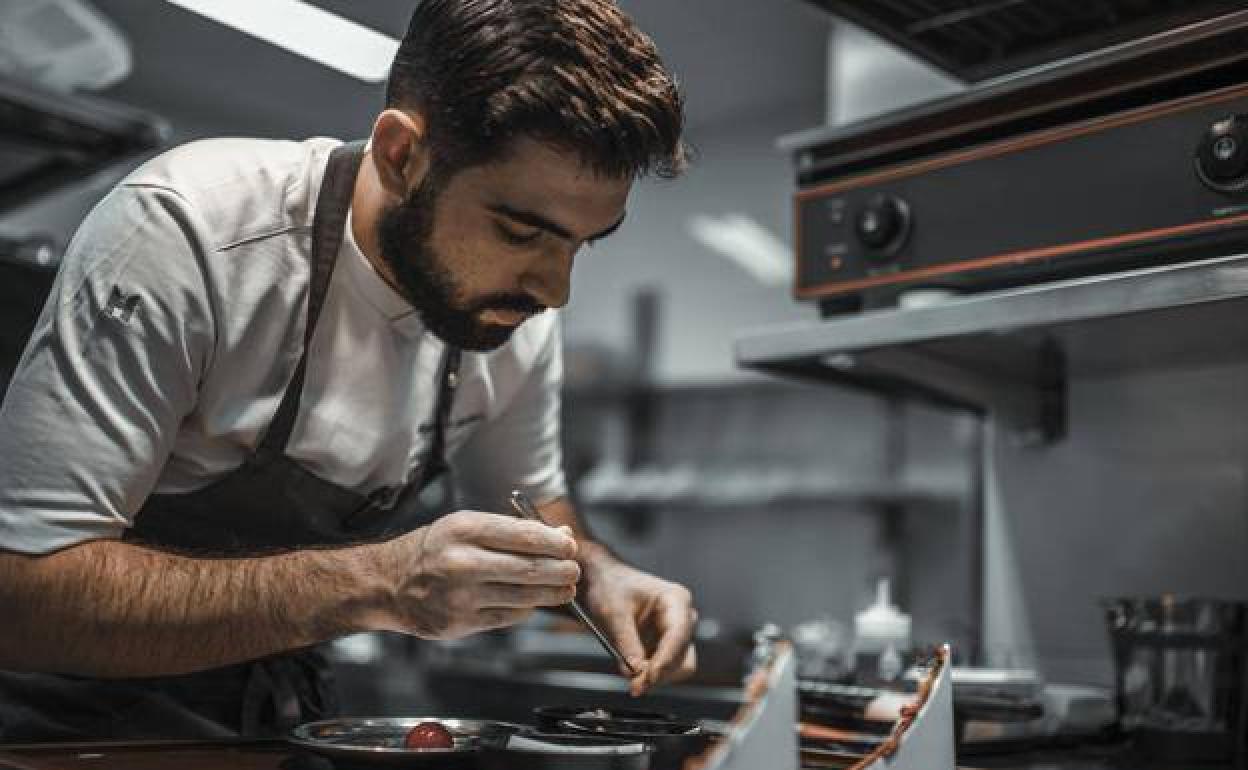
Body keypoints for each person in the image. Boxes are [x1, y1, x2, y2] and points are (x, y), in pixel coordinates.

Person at [0, 0, 696, 741]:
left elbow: (533, 510)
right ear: (401, 155)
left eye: (585, 244)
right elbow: (23, 598)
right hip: (63, 731)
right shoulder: (191, 233)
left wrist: (597, 575)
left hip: (275, 725)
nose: (555, 289)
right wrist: (377, 583)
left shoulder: (513, 318)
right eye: (521, 231)